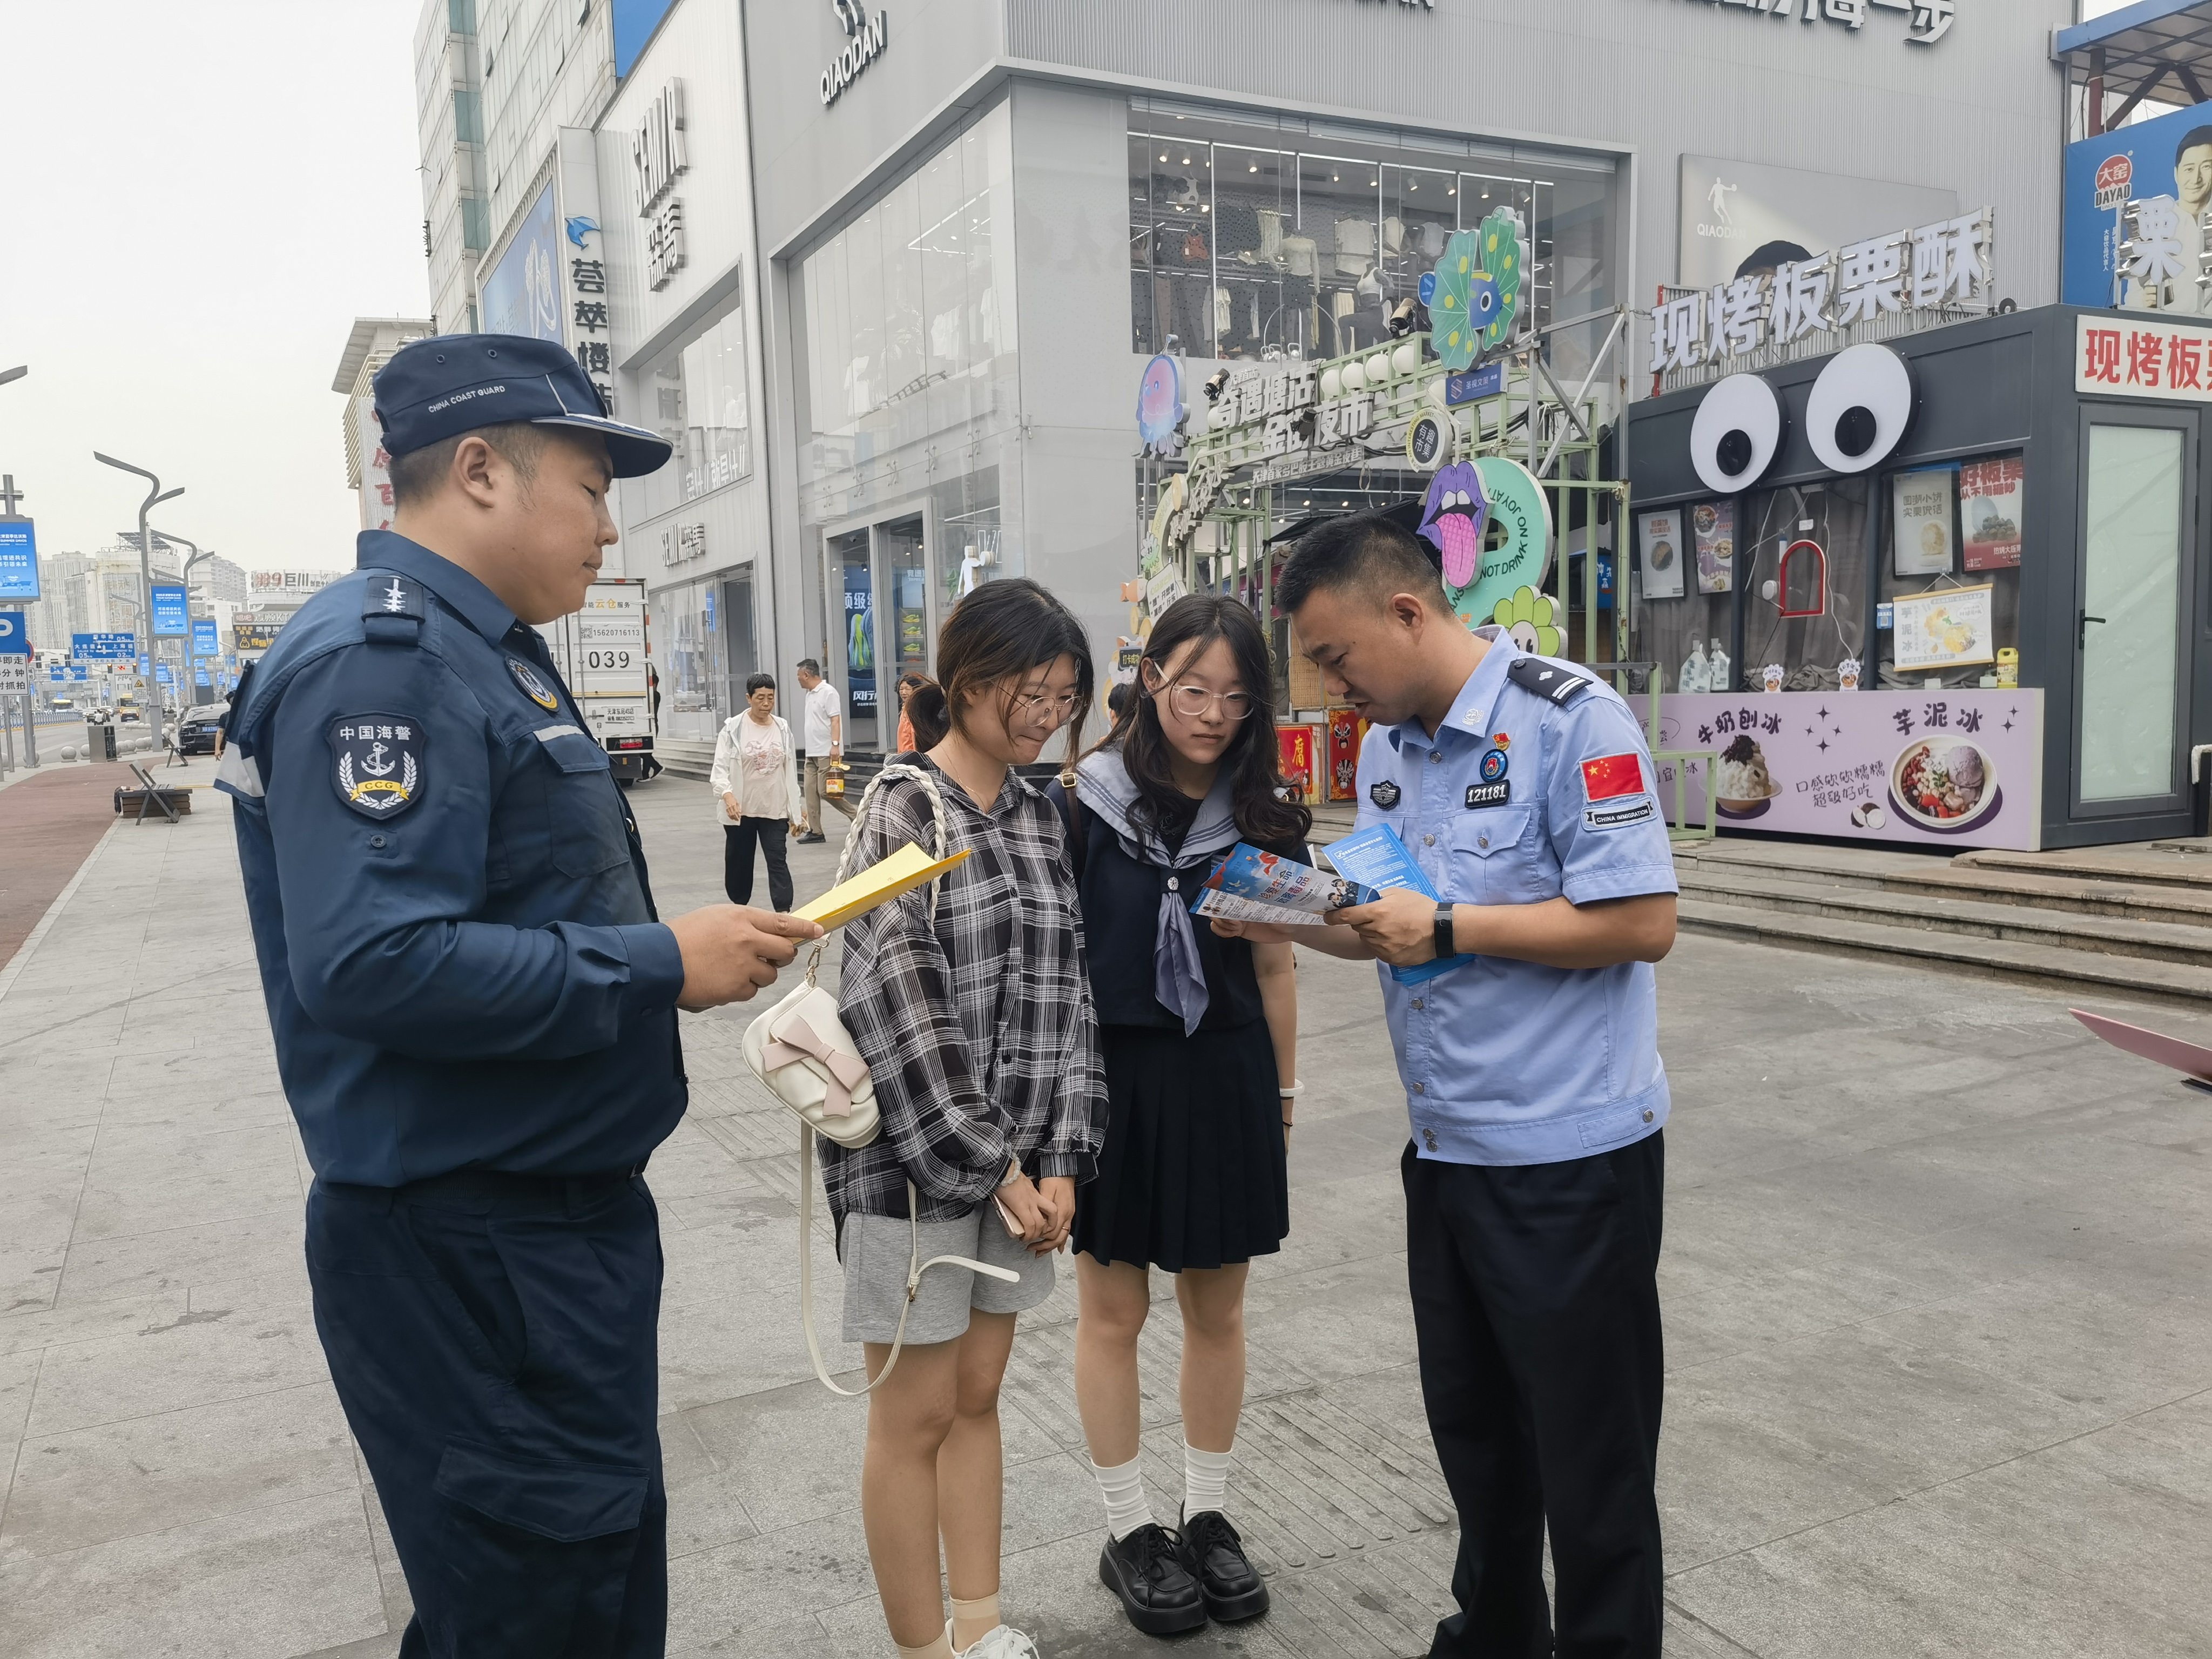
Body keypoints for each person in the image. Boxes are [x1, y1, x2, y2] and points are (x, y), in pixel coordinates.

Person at [214, 333, 822, 1659]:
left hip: (540, 1236)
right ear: (482, 470)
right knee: (542, 1612)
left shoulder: (483, 651)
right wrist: (659, 961)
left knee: (571, 1593)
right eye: (593, 489)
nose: (609, 527)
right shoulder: (384, 664)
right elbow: (371, 958)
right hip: (471, 1248)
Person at [1217, 512, 1678, 1659]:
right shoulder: (1387, 753)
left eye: (1336, 658)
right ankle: (1496, 1634)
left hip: (1569, 1158)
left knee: (1591, 1459)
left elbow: (1640, 921)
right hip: (1448, 1149)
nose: (1333, 690)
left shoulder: (1569, 720)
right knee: (1477, 1436)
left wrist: (1454, 923)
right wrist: (1280, 914)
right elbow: (1396, 928)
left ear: (1408, 611)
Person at [828, 577, 1108, 1659]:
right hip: (912, 1169)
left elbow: (1069, 995)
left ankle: (981, 1625)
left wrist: (1062, 1157)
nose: (1048, 716)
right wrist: (1000, 1168)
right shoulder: (902, 807)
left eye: (1064, 697)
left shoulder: (1038, 816)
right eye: (1031, 693)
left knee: (979, 1392)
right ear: (970, 680)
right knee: (914, 1413)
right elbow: (897, 1000)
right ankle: (922, 1648)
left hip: (1020, 1167)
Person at [1058, 595, 1303, 1636]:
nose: (1211, 714)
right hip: (1112, 1080)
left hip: (1226, 1076)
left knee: (1219, 1312)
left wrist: (1282, 1097)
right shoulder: (1084, 805)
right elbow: (1055, 970)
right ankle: (1129, 1530)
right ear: (1150, 677)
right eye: (1194, 688)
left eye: (1236, 698)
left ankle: (1205, 1517)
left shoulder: (1261, 816)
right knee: (1114, 1315)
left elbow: (1278, 965)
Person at [709, 672, 803, 911]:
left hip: (774, 809)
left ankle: (783, 912)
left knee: (778, 860)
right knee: (739, 864)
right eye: (760, 698)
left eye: (770, 698)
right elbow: (719, 769)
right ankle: (740, 908)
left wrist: (796, 809)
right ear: (749, 698)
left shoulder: (782, 728)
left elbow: (790, 771)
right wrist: (727, 795)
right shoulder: (733, 729)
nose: (766, 703)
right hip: (741, 811)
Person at [795, 657, 855, 842]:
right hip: (812, 752)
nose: (798, 679)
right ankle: (816, 831)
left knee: (827, 791)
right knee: (810, 792)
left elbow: (835, 720)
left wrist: (835, 745)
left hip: (827, 751)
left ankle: (857, 816)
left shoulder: (828, 692)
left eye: (799, 676)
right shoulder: (810, 694)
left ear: (807, 674)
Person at [895, 670, 928, 754]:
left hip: (913, 753)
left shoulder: (916, 708)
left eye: (907, 689)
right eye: (901, 689)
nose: (904, 692)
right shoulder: (905, 708)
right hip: (904, 752)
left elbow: (914, 733)